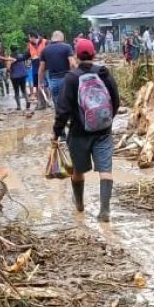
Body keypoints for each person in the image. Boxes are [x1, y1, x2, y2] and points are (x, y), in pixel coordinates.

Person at [53, 38, 120, 222]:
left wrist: (57, 132)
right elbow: (116, 100)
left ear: (76, 55)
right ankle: (105, 210)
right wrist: (106, 120)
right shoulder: (105, 74)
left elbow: (63, 110)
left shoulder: (71, 78)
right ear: (94, 54)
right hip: (103, 132)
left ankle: (80, 204)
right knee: (105, 170)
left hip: (78, 132)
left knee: (78, 170)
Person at [41, 31, 75, 102]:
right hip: (65, 78)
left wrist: (39, 82)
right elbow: (72, 64)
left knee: (57, 102)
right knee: (68, 102)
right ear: (62, 38)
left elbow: (41, 69)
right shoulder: (67, 47)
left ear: (52, 38)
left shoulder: (45, 50)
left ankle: (58, 112)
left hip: (53, 80)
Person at [27, 31, 47, 108]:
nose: (29, 39)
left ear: (33, 37)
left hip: (45, 68)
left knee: (46, 86)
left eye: (29, 37)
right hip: (35, 68)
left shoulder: (45, 42)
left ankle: (47, 102)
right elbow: (26, 55)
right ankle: (39, 103)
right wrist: (16, 59)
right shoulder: (30, 45)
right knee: (37, 85)